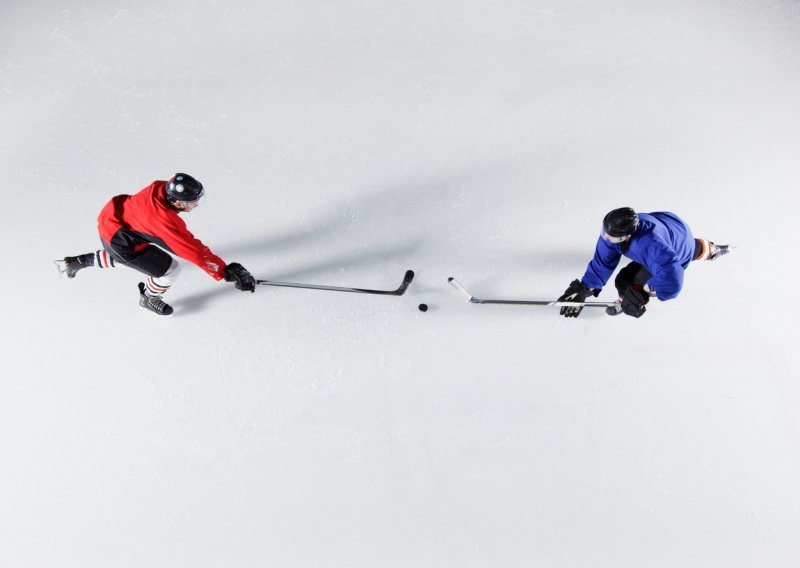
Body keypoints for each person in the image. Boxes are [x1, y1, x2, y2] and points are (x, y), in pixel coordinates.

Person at [55, 173, 256, 315]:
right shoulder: (163, 222)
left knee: (126, 257)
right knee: (170, 270)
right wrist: (223, 270)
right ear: (177, 202)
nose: (195, 205)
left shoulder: (160, 188)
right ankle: (149, 298)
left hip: (114, 221)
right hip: (122, 240)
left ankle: (76, 262)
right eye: (192, 202)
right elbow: (191, 250)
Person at [557, 207, 729, 318]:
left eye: (612, 237)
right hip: (671, 225)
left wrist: (643, 293)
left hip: (678, 245)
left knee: (626, 281)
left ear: (628, 235)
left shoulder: (650, 246)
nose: (606, 239)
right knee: (689, 245)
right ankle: (709, 249)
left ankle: (625, 301)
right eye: (605, 234)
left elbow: (673, 277)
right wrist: (584, 288)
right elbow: (603, 262)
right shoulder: (612, 233)